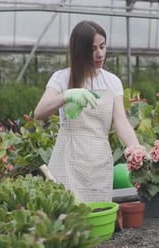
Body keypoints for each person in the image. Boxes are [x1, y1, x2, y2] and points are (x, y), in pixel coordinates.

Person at [34, 20, 141, 202]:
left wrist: (136, 147)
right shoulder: (62, 78)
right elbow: (39, 112)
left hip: (99, 159)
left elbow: (120, 121)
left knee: (98, 213)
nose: (99, 54)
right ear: (79, 51)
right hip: (69, 156)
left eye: (102, 46)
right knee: (68, 214)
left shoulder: (112, 81)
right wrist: (66, 95)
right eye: (92, 49)